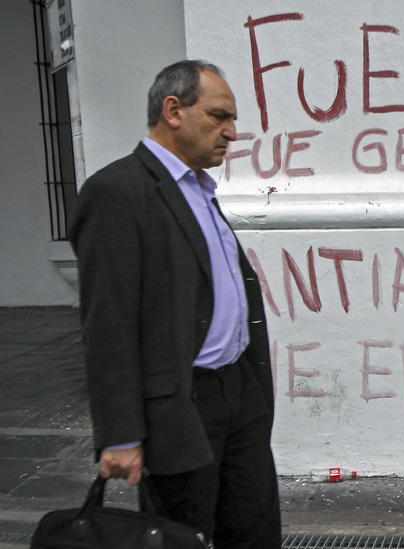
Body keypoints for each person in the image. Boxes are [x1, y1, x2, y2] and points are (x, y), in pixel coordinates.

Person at [68, 60, 280, 547]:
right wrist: (120, 435)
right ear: (173, 110)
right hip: (182, 405)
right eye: (219, 116)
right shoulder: (117, 191)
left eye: (233, 120)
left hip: (239, 390)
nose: (231, 132)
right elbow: (108, 324)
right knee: (186, 535)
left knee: (253, 527)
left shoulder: (200, 190)